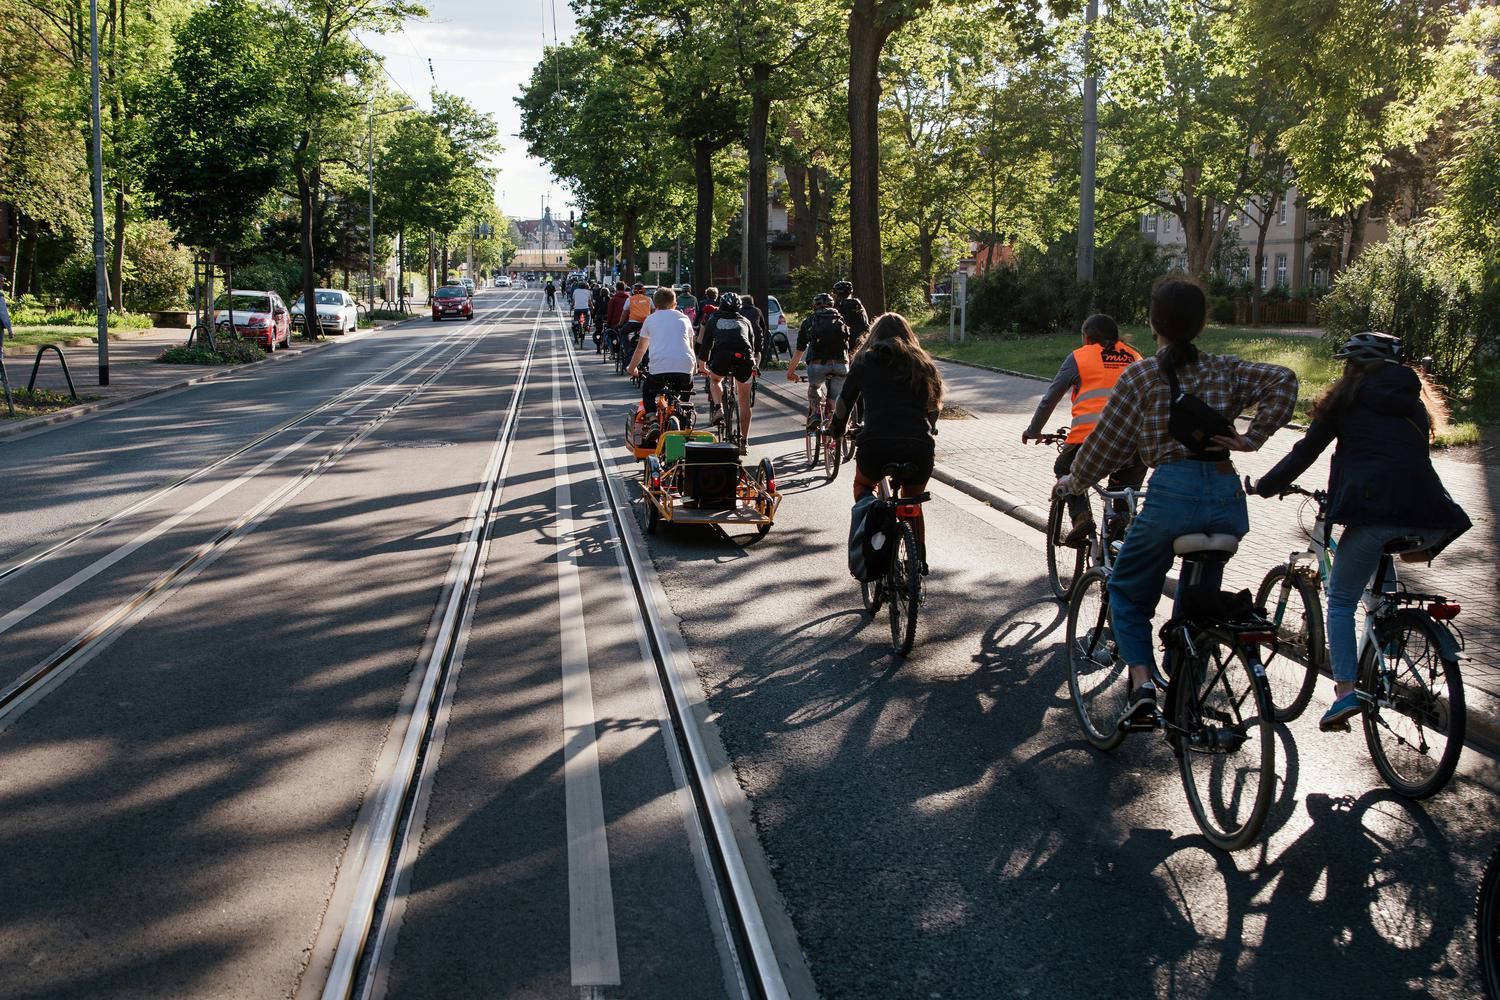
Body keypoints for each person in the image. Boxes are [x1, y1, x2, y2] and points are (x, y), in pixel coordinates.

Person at [1055, 278, 1298, 727]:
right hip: (1227, 500)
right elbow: (1284, 380)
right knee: (1198, 599)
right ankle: (1187, 679)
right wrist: (1251, 439)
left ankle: (1142, 686)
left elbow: (1105, 446)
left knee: (1127, 590)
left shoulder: (1143, 376)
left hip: (1172, 495)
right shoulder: (1226, 370)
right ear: (1202, 324)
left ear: (1154, 324)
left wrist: (1073, 481)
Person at [1251, 332, 1471, 731]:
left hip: (1374, 513)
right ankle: (1388, 632)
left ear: (1350, 368)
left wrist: (1263, 486)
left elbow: (1305, 452)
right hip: (1431, 516)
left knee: (1339, 599)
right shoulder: (1412, 405)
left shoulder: (1345, 402)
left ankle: (1345, 692)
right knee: (1377, 576)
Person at [828, 312, 943, 561]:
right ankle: (918, 560)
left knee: (863, 486)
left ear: (874, 335)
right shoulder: (924, 364)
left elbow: (843, 404)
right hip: (918, 446)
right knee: (912, 502)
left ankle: (875, 527)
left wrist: (836, 430)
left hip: (876, 444)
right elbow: (934, 407)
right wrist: (929, 426)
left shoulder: (863, 362)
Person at [1023, 314, 1145, 545]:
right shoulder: (1135, 357)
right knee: (1123, 499)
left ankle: (1081, 516)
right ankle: (1115, 557)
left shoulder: (1079, 357)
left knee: (1064, 467)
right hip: (1134, 442)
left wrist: (1033, 430)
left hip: (1089, 440)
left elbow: (1050, 399)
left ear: (1086, 338)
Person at [701, 291, 757, 454]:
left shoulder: (714, 319)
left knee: (715, 380)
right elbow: (751, 346)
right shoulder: (745, 321)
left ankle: (719, 407)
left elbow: (706, 345)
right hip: (744, 358)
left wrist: (702, 365)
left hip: (722, 357)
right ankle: (744, 441)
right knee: (744, 401)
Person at [787, 292, 852, 429]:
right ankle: (837, 424)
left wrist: (791, 372)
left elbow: (800, 350)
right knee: (836, 397)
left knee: (815, 387)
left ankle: (816, 413)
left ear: (814, 306)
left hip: (817, 365)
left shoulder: (809, 322)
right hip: (841, 364)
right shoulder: (841, 320)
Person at [628, 287, 697, 412]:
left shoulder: (650, 319)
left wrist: (632, 368)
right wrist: (694, 368)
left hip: (659, 368)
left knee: (648, 392)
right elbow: (691, 346)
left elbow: (641, 349)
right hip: (685, 366)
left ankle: (652, 417)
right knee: (684, 393)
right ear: (674, 304)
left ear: (655, 304)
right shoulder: (685, 319)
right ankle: (683, 413)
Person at [832, 280, 871, 351]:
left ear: (836, 294)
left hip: (840, 347)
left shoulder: (835, 308)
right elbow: (866, 324)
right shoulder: (858, 306)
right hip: (859, 345)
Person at [621, 282, 653, 359]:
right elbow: (654, 311)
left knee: (622, 332)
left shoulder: (630, 299)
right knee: (650, 337)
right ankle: (647, 351)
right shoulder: (649, 299)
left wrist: (620, 323)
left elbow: (624, 313)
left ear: (633, 291)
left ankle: (628, 349)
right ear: (644, 291)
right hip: (645, 323)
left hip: (632, 323)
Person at [738, 294, 769, 364]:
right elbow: (763, 325)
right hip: (757, 333)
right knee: (757, 351)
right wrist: (762, 335)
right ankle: (756, 367)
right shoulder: (758, 310)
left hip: (744, 334)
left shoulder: (739, 311)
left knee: (743, 351)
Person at [605, 281, 630, 355]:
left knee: (609, 335)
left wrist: (608, 323)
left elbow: (610, 312)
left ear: (616, 288)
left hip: (615, 322)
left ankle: (613, 352)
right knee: (627, 336)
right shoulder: (629, 298)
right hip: (627, 322)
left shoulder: (613, 299)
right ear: (624, 288)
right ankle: (628, 351)